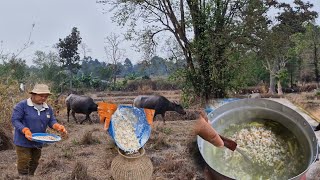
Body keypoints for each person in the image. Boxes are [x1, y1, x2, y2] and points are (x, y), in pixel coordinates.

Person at [11, 84, 67, 176]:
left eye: (46, 96)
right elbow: (15, 120)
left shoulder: (48, 108)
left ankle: (30, 176)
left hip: (39, 141)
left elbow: (51, 121)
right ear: (33, 94)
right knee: (24, 161)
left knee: (34, 161)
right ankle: (23, 177)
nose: (44, 98)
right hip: (23, 141)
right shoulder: (22, 106)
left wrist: (58, 126)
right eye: (41, 96)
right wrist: (25, 130)